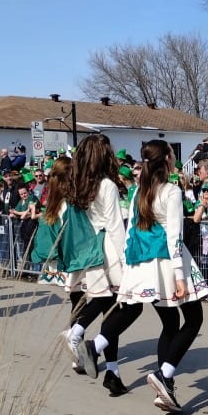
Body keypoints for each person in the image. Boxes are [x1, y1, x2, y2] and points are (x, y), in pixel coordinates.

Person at [109, 140, 208, 413]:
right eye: (173, 155)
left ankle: (166, 384)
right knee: (194, 318)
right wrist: (180, 276)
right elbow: (175, 236)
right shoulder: (171, 191)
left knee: (170, 322)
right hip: (168, 264)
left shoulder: (139, 192)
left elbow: (131, 234)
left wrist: (128, 270)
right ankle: (165, 375)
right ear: (166, 158)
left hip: (144, 266)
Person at [67, 135, 131, 395]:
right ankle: (77, 332)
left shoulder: (79, 185)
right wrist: (126, 264)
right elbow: (115, 226)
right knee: (125, 305)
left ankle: (113, 371)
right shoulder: (106, 186)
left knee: (109, 308)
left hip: (90, 247)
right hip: (108, 249)